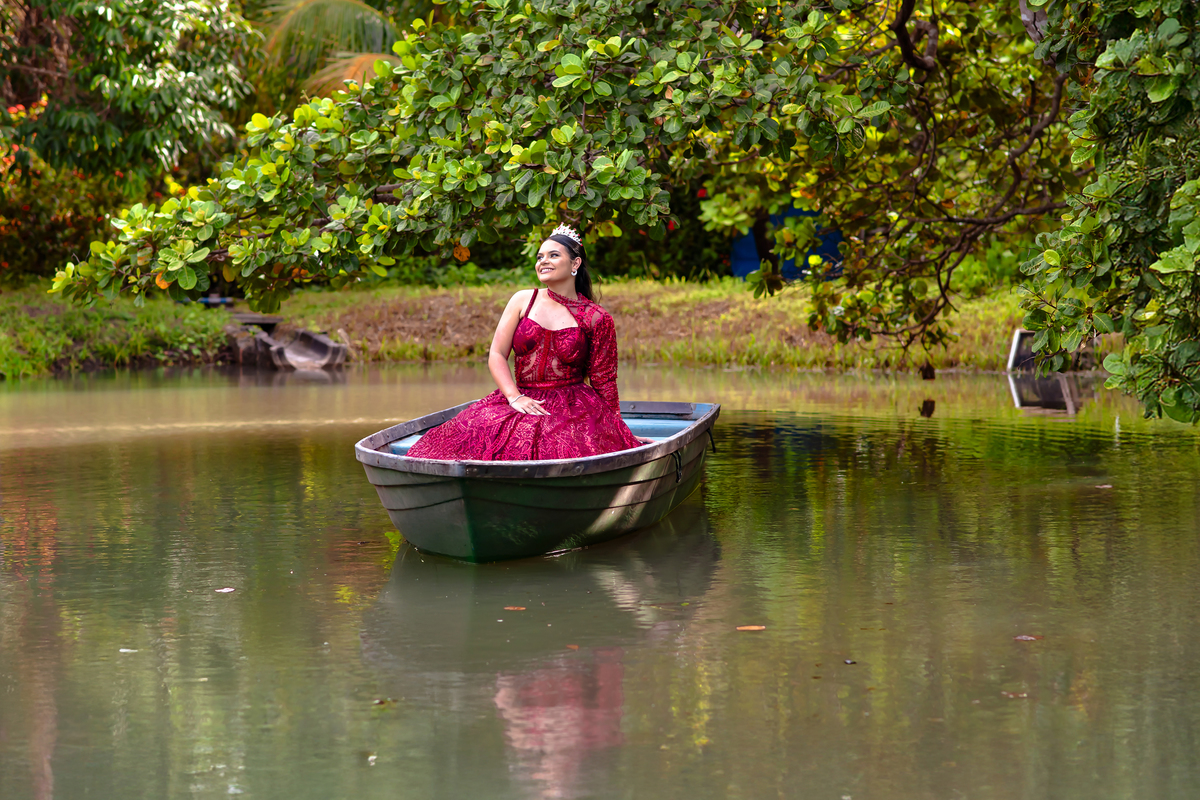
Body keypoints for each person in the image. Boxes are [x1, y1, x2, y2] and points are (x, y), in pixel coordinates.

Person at [406, 223, 646, 461]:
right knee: (471, 431)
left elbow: (604, 380)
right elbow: (497, 354)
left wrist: (618, 430)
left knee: (561, 445)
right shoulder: (523, 300)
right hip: (519, 397)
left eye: (553, 255)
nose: (543, 261)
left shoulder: (596, 318)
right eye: (540, 256)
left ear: (575, 264)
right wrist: (514, 397)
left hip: (573, 406)